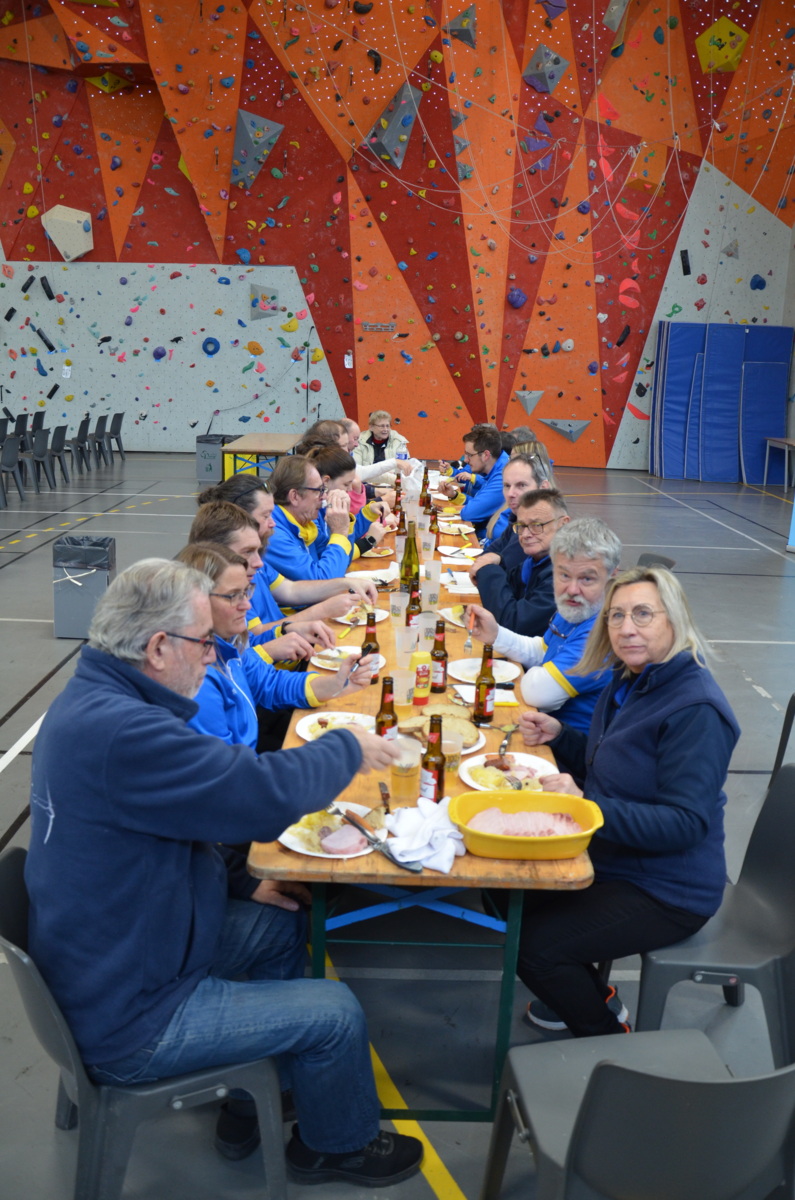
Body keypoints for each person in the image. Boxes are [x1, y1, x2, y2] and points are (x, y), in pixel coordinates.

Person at [25, 559, 422, 1186]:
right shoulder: (126, 732)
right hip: (132, 1013)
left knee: (279, 925)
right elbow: (255, 794)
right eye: (204, 641)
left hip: (116, 954)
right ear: (158, 647)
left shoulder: (93, 698)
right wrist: (349, 748)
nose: (213, 655)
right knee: (334, 1011)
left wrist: (243, 880)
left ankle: (257, 1092)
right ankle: (334, 1146)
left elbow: (188, 823)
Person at [512, 565, 740, 1037]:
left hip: (668, 889)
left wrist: (587, 808)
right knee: (509, 893)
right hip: (619, 856)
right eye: (616, 616)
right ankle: (594, 994)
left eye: (642, 614)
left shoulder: (696, 709)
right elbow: (616, 761)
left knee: (535, 948)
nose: (626, 628)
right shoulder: (631, 678)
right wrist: (562, 736)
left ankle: (607, 1037)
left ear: (674, 619)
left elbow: (684, 823)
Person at [177, 542, 373, 736]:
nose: (246, 605)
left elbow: (269, 683)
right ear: (197, 600)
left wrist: (337, 683)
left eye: (246, 592)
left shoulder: (227, 643)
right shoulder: (197, 682)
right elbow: (228, 755)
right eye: (233, 596)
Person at [467, 518, 621, 732]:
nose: (572, 589)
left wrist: (540, 673)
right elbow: (543, 650)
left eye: (587, 579)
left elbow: (538, 693)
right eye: (564, 575)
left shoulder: (605, 630)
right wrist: (496, 635)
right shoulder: (580, 606)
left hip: (564, 744)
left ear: (612, 574)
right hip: (540, 726)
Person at [189, 500, 372, 651]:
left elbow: (292, 590)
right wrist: (322, 610)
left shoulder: (253, 564)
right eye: (266, 515)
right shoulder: (227, 590)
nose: (273, 522)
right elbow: (253, 639)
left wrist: (345, 583)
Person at [471, 488, 570, 637]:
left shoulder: (567, 573)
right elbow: (506, 592)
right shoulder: (534, 562)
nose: (525, 534)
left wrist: (488, 569)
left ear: (563, 524)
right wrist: (494, 564)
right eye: (522, 526)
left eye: (537, 525)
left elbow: (514, 624)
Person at [265, 455, 356, 582]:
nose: (324, 497)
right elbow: (322, 582)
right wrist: (340, 532)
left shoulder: (305, 526)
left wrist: (344, 528)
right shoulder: (273, 535)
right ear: (295, 496)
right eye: (319, 490)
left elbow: (341, 564)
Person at [305, 444, 394, 556]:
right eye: (346, 484)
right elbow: (334, 556)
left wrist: (369, 513)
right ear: (326, 481)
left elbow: (346, 537)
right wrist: (368, 541)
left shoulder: (326, 505)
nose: (350, 489)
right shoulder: (312, 514)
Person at [437, 424, 510, 538]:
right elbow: (478, 503)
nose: (466, 460)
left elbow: (470, 513)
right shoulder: (497, 467)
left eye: (469, 455)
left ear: (486, 455)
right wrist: (455, 495)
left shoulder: (504, 475)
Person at [481, 451, 552, 558]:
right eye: (507, 486)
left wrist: (495, 560)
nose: (510, 494)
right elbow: (489, 554)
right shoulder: (517, 518)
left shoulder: (541, 532)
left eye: (521, 485)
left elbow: (506, 564)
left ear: (543, 488)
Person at [351, 409, 409, 486]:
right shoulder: (359, 441)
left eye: (387, 426)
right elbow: (357, 471)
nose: (386, 429)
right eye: (382, 426)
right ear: (371, 427)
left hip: (392, 485)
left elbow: (405, 468)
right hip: (366, 485)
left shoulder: (398, 441)